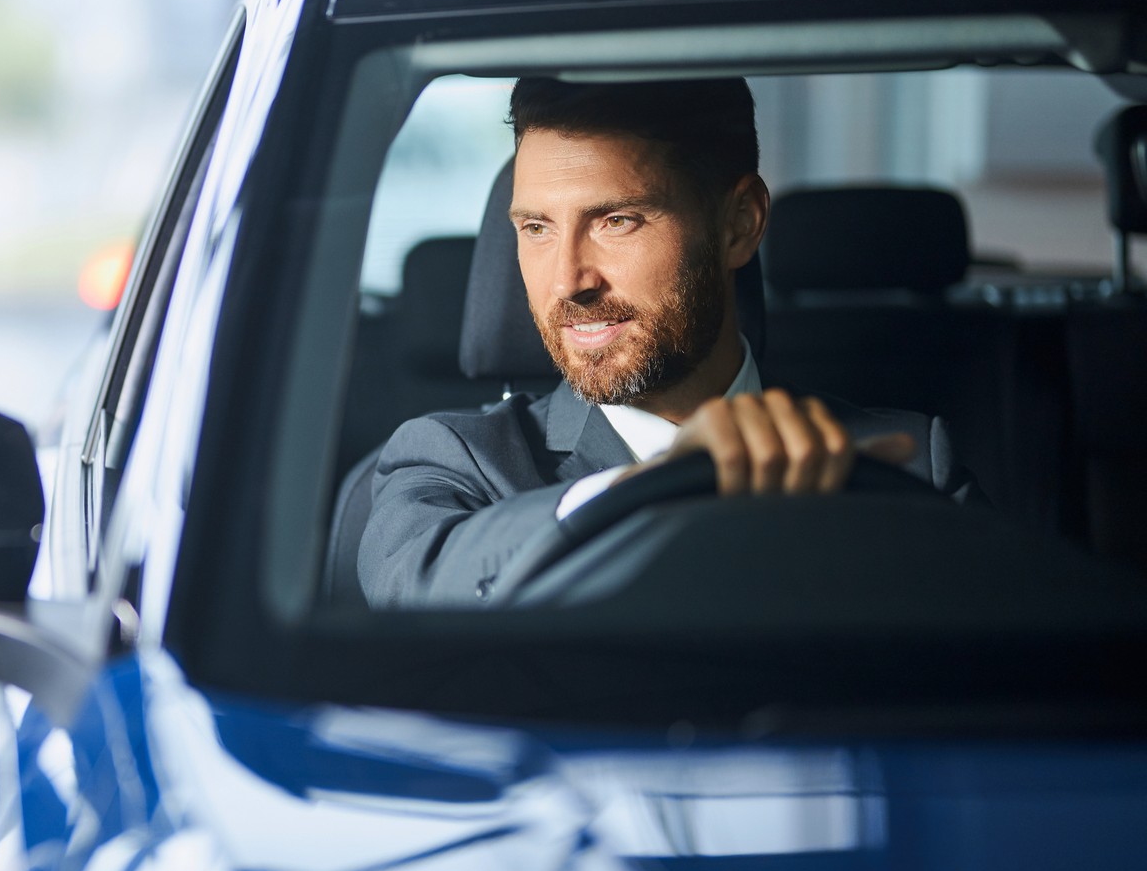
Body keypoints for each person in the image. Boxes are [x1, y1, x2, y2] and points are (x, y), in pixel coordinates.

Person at [357, 76, 978, 607]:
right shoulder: (455, 462)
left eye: (616, 221)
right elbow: (418, 586)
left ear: (739, 225)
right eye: (537, 227)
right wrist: (662, 483)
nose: (568, 281)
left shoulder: (907, 462)